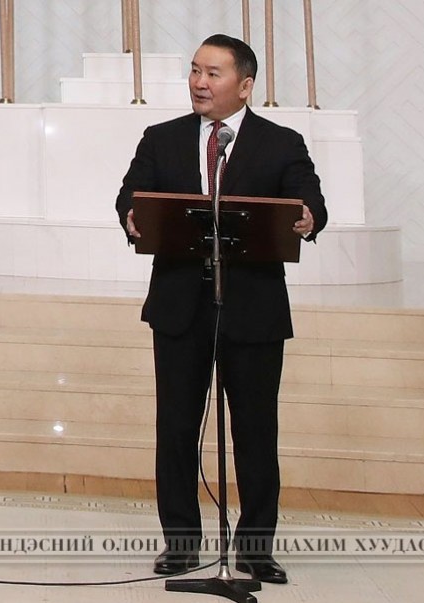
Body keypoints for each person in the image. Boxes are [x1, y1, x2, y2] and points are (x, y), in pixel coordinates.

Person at [115, 34, 327, 585]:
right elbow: (131, 195)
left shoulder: (281, 143)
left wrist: (308, 217)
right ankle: (181, 544)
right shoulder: (161, 138)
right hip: (180, 307)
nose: (200, 83)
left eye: (213, 73)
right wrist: (131, 215)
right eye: (195, 71)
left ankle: (255, 549)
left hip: (253, 309)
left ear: (245, 85)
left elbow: (310, 200)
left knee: (255, 431)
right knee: (176, 429)